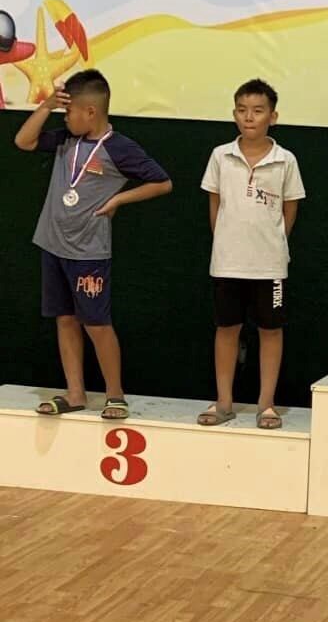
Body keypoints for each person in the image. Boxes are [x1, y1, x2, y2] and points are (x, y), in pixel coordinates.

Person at [14, 69, 172, 419]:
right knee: (65, 319)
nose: (64, 118)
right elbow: (23, 141)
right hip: (52, 244)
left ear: (90, 112)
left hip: (88, 252)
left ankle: (115, 395)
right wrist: (46, 106)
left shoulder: (119, 148)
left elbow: (162, 183)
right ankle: (75, 393)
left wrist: (119, 200)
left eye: (68, 112)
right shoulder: (65, 140)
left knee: (96, 324)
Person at [197, 79, 305, 430]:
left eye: (258, 111)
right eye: (242, 110)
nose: (249, 117)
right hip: (227, 262)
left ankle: (266, 404)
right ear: (234, 114)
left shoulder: (285, 160)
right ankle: (224, 402)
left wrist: (273, 243)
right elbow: (215, 206)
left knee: (270, 331)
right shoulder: (220, 156)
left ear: (273, 117)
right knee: (226, 328)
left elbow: (290, 210)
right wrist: (227, 242)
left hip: (269, 265)